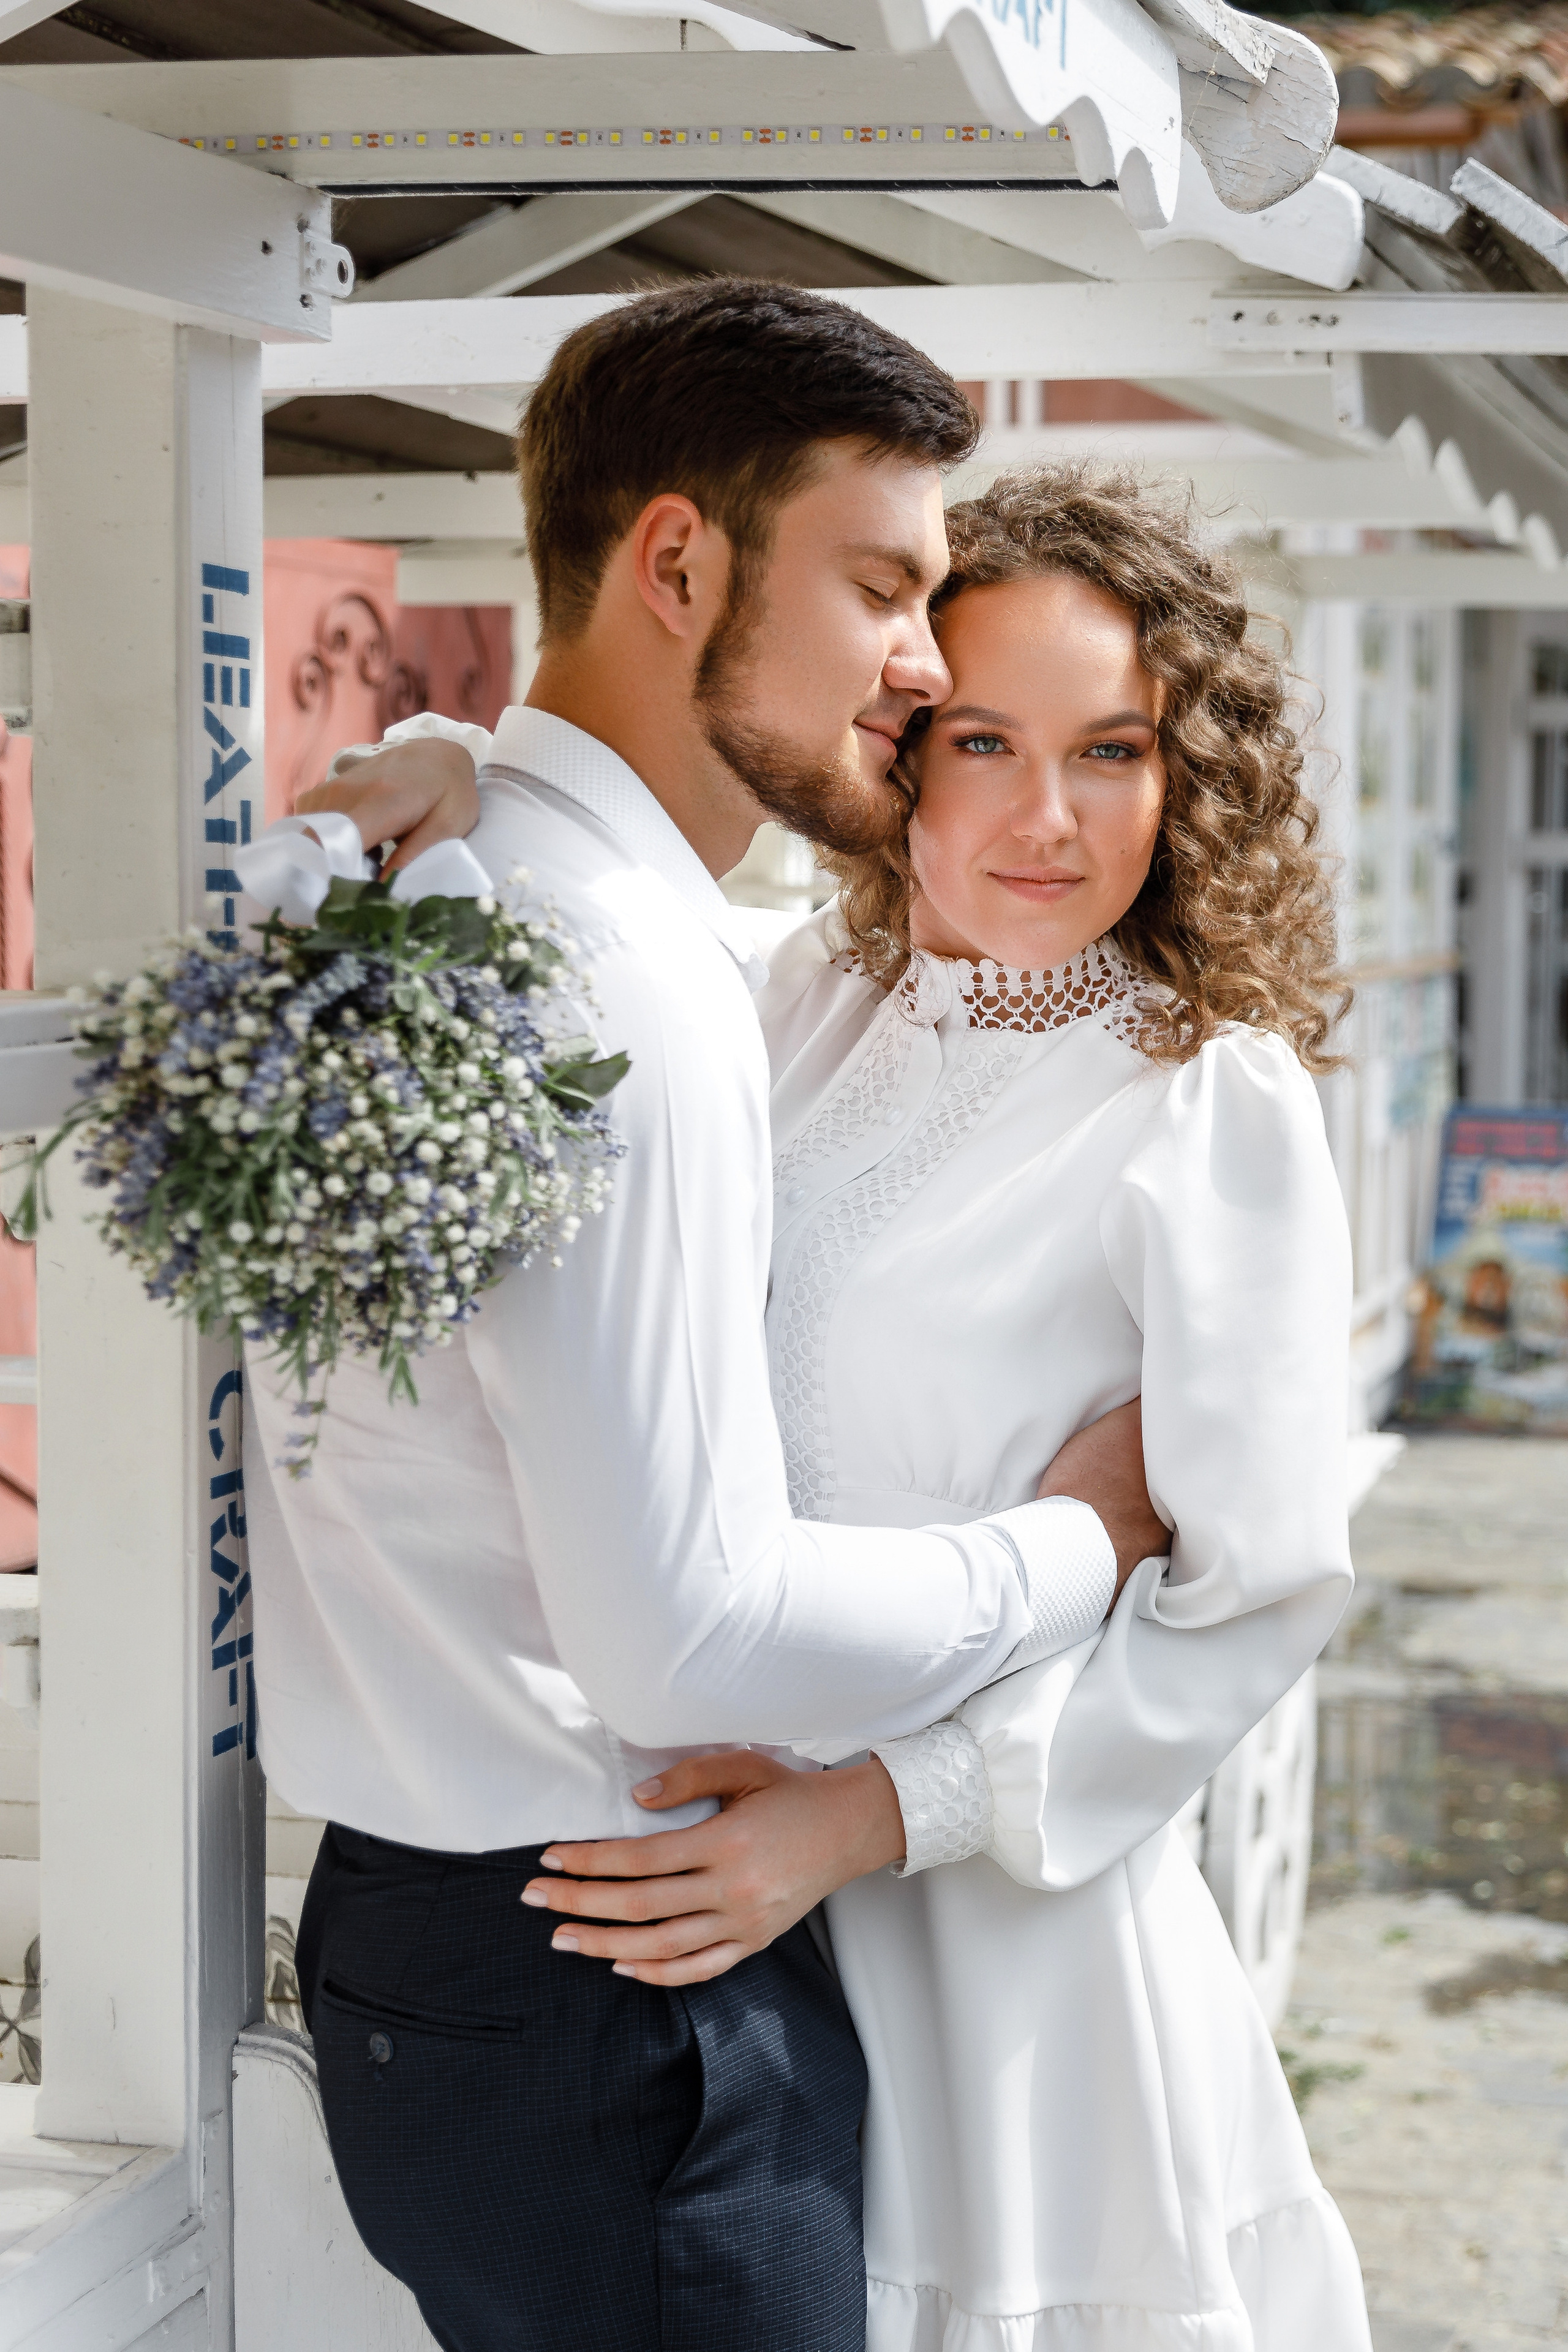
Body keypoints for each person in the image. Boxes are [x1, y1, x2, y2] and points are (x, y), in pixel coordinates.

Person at [252, 285, 1164, 2352]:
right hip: (608, 1966)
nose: (925, 671)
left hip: (468, 1934)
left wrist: (442, 756)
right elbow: (685, 1634)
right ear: (677, 561)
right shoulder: (612, 990)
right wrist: (1081, 1540)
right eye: (881, 589)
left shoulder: (459, 882)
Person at [513, 469, 1373, 2349]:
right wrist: (440, 782)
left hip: (1009, 1956)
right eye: (984, 739)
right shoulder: (797, 997)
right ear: (899, 743)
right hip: (712, 1916)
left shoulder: (1206, 1101)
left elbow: (1260, 1596)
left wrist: (867, 1818)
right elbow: (574, 902)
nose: (1049, 820)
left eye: (1116, 750)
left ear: (1187, 776)